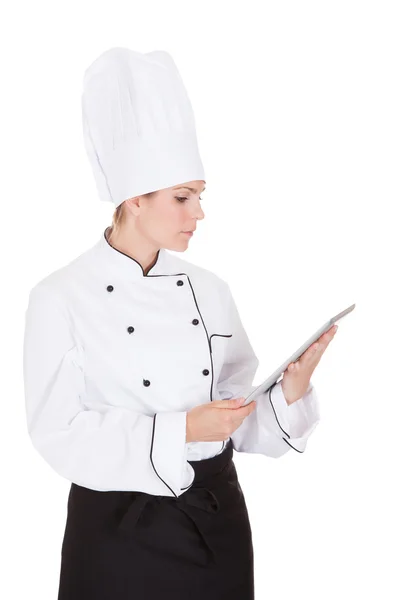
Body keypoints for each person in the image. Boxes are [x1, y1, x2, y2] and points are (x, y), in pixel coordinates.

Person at [22, 47, 326, 600]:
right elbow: (56, 434)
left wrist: (289, 391)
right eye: (182, 198)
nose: (199, 214)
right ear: (135, 200)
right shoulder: (58, 297)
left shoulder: (210, 290)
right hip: (116, 531)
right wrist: (180, 430)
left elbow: (234, 416)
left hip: (216, 524)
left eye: (199, 197)